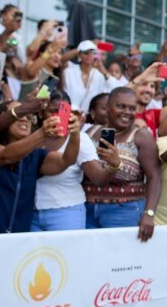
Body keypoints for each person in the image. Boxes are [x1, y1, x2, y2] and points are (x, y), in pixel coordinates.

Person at [0, 101, 80, 234]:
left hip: (18, 238)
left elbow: (66, 161)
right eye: (20, 115)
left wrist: (75, 135)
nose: (25, 119)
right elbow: (6, 156)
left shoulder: (34, 154)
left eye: (29, 116)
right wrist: (42, 133)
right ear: (3, 118)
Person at [33, 91, 122, 231]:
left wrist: (114, 165)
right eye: (52, 111)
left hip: (66, 213)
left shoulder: (80, 139)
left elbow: (98, 178)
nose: (57, 116)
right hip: (31, 213)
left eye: (63, 111)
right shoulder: (31, 138)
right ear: (40, 113)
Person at [83, 88, 161, 242]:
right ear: (107, 108)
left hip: (125, 211)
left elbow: (155, 176)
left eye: (132, 108)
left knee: (119, 262)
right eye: (121, 106)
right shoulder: (90, 132)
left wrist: (149, 213)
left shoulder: (141, 136)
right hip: (87, 210)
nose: (127, 112)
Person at [62, 40, 107, 112]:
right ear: (79, 55)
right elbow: (62, 60)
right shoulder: (69, 71)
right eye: (86, 53)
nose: (89, 55)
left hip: (87, 118)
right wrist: (79, 48)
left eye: (92, 53)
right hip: (66, 112)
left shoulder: (99, 76)